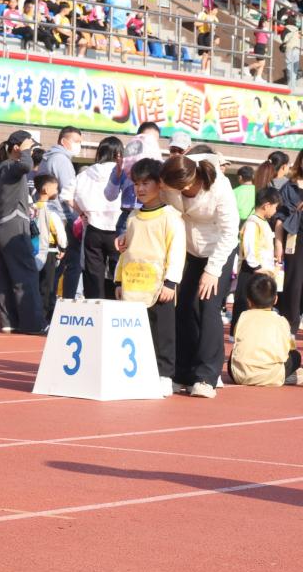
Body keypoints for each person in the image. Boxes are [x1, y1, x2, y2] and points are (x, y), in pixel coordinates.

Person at [160, 154, 239, 398]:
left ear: (184, 185)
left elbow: (230, 231)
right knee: (183, 306)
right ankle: (183, 372)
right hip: (188, 248)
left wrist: (212, 270)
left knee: (208, 304)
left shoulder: (219, 186)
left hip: (218, 249)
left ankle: (207, 376)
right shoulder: (171, 180)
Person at [113, 158, 185, 390]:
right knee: (138, 331)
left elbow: (176, 250)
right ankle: (140, 371)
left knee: (163, 333)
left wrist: (171, 282)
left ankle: (165, 375)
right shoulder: (133, 216)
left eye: (146, 183)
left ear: (160, 184)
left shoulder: (170, 216)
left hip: (159, 286)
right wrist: (118, 280)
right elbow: (126, 251)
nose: (140, 189)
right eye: (136, 184)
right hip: (133, 285)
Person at [0, 131, 45, 335]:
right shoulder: (12, 166)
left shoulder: (2, 168)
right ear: (17, 148)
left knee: (5, 277)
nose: (31, 152)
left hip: (0, 226)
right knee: (26, 276)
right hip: (14, 226)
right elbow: (25, 166)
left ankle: (9, 322)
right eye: (29, 147)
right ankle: (34, 324)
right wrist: (25, 152)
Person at [73, 136, 124, 299]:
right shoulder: (123, 172)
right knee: (119, 274)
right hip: (119, 229)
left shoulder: (85, 173)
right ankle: (117, 308)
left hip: (93, 228)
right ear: (119, 153)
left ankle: (95, 308)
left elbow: (69, 196)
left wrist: (82, 213)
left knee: (93, 275)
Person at [228, 273, 299, 387]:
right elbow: (288, 349)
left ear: (248, 301)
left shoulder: (243, 317)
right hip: (272, 374)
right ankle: (280, 377)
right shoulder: (282, 321)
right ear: (276, 299)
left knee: (234, 353)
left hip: (240, 375)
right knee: (295, 356)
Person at [36, 126, 82, 299]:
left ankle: (47, 305)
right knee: (72, 264)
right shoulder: (62, 160)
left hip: (47, 215)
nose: (79, 145)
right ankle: (67, 304)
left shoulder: (47, 158)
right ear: (64, 141)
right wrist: (79, 215)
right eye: (76, 141)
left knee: (53, 266)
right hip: (62, 217)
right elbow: (69, 192)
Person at [231, 186, 280, 337]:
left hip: (260, 270)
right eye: (275, 207)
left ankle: (250, 333)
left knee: (255, 304)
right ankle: (237, 333)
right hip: (251, 270)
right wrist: (257, 267)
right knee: (244, 302)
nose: (275, 211)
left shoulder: (263, 222)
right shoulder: (253, 223)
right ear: (267, 205)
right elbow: (249, 247)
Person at [32, 174, 67, 323]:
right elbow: (59, 232)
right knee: (48, 287)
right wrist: (63, 248)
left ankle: (34, 315)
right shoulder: (50, 211)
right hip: (49, 252)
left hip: (33, 251)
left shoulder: (31, 209)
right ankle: (45, 318)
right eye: (55, 188)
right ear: (45, 189)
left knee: (35, 285)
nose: (57, 190)